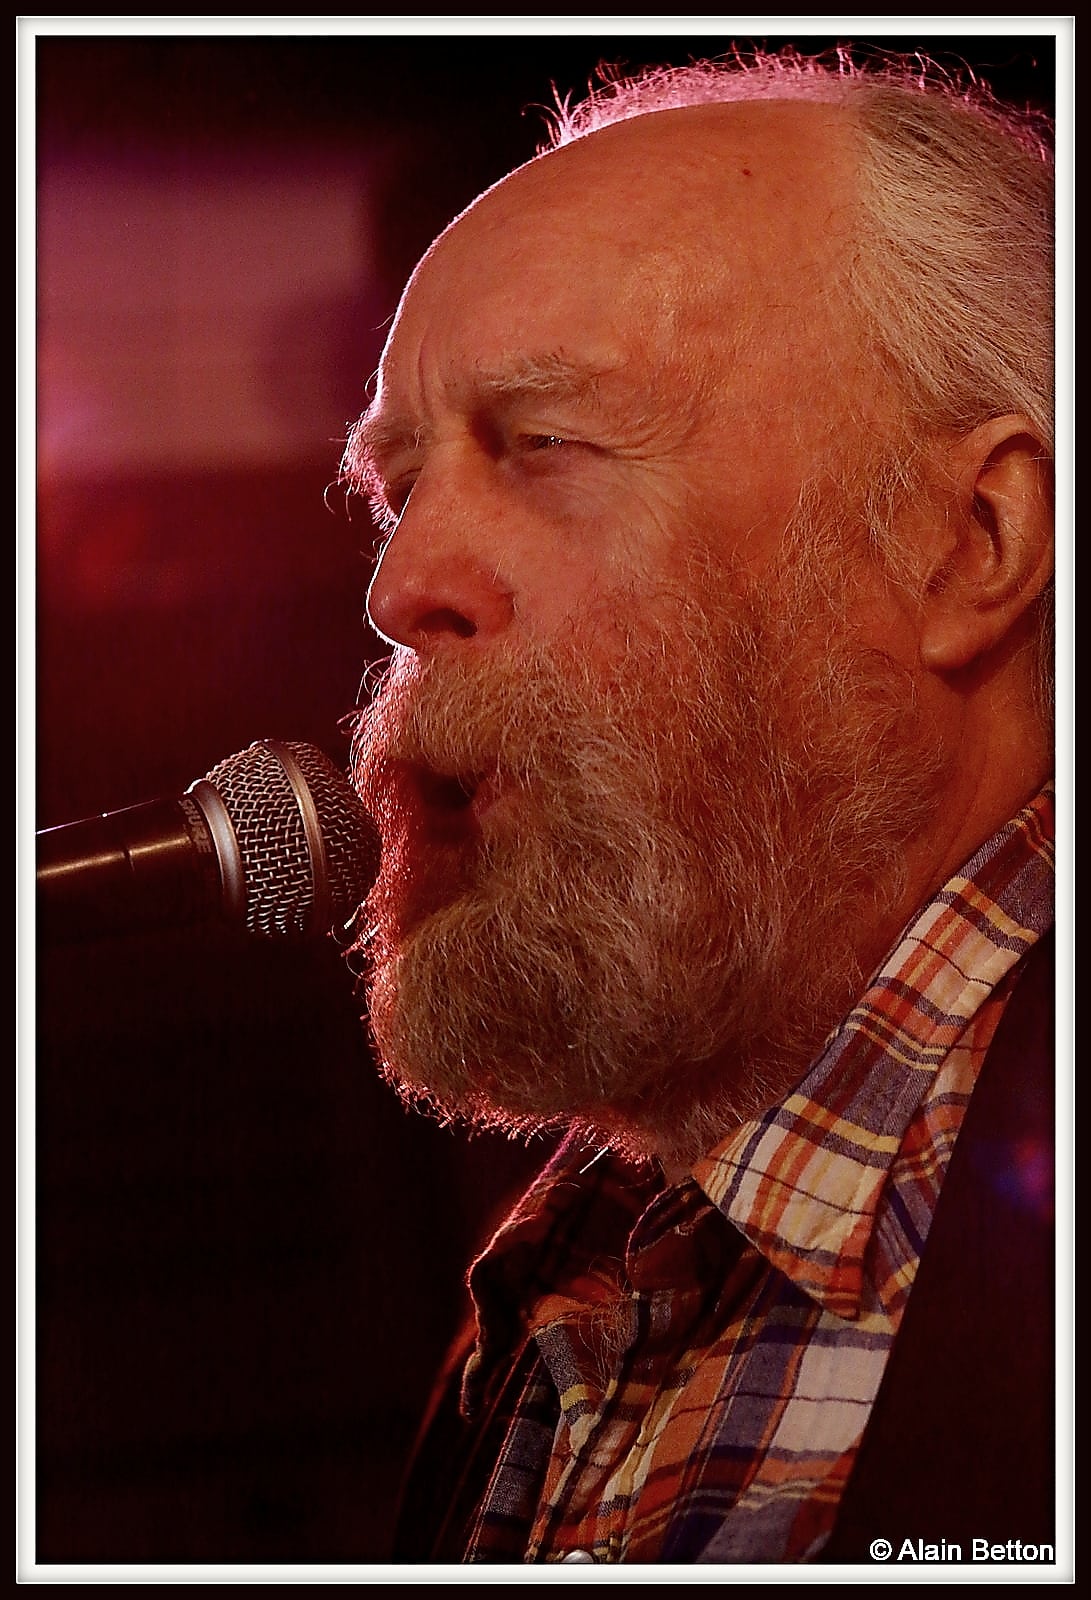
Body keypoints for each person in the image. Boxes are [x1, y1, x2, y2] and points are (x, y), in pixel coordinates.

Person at [340, 49, 1056, 1566]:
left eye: (545, 444)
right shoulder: (559, 1283)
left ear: (969, 539)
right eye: (400, 489)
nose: (402, 588)